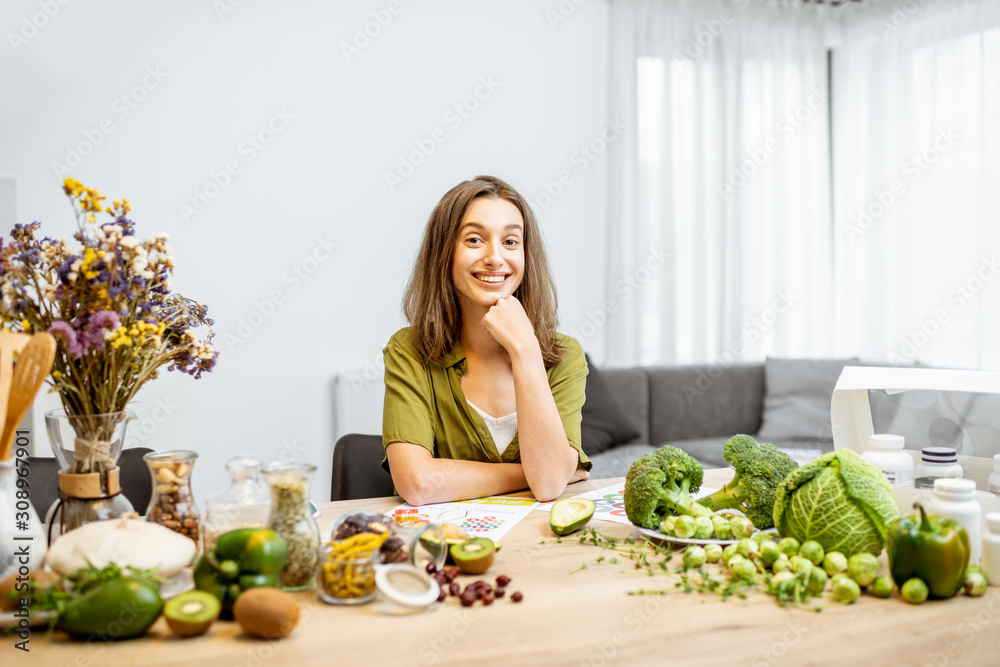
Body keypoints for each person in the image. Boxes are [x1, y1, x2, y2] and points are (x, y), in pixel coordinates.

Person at [382, 175, 592, 506]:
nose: (495, 257)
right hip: (444, 549)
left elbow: (549, 486)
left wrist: (525, 351)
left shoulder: (566, 356)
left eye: (510, 242)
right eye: (475, 240)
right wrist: (534, 473)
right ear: (444, 253)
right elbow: (418, 483)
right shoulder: (409, 350)